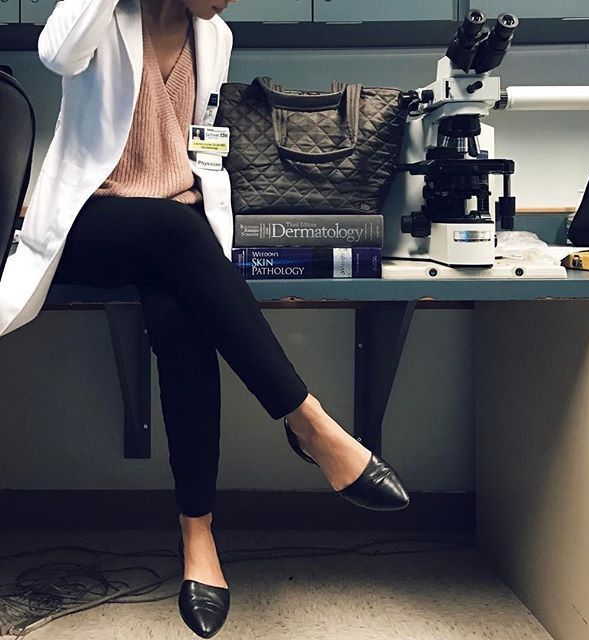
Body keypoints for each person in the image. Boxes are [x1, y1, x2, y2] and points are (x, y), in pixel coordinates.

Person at [41, 0, 410, 636]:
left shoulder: (214, 36)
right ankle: (311, 424)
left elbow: (201, 152)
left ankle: (198, 538)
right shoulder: (99, 18)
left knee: (182, 315)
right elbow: (57, 53)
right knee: (167, 226)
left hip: (175, 231)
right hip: (92, 222)